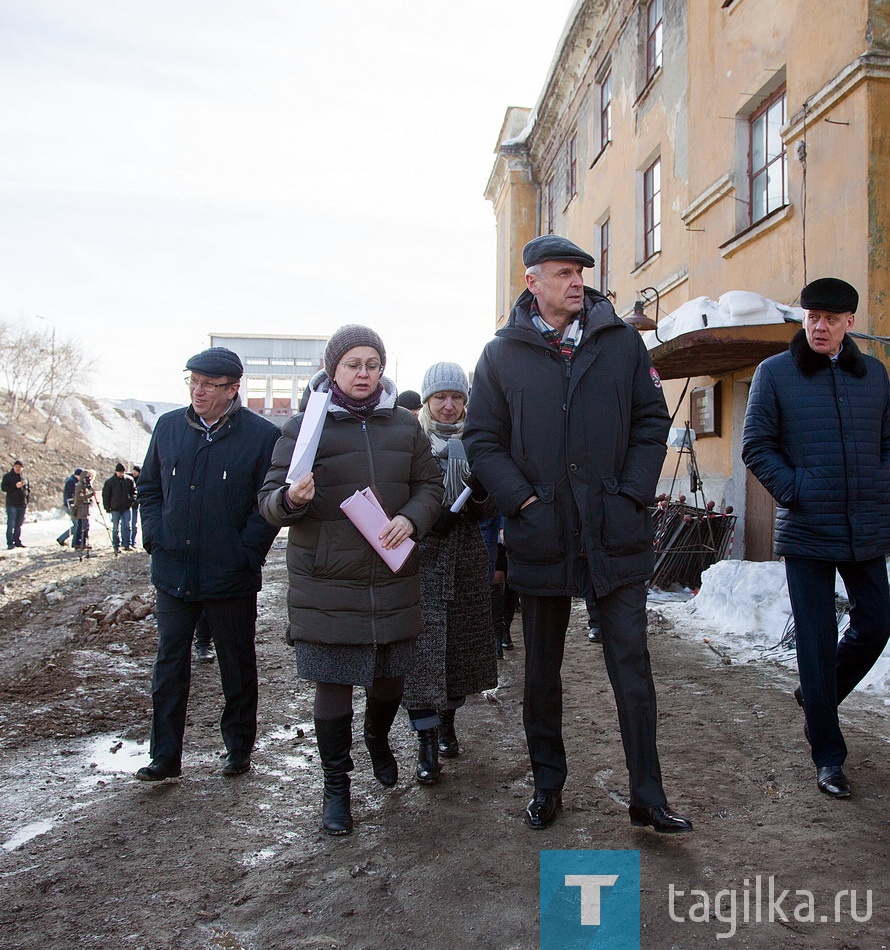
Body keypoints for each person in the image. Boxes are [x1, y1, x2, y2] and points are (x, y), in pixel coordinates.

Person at [464, 234, 692, 834]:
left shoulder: (620, 343)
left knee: (632, 665)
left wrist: (632, 492)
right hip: (541, 531)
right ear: (532, 281)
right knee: (541, 669)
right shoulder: (501, 355)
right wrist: (524, 501)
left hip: (614, 528)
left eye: (580, 273)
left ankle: (648, 794)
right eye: (563, 273)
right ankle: (547, 785)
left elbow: (651, 421)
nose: (576, 282)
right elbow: (482, 440)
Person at [259, 325, 443, 835]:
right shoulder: (305, 427)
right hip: (326, 578)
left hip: (391, 571)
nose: (364, 374)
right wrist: (290, 500)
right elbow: (270, 501)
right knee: (334, 682)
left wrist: (412, 518)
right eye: (353, 364)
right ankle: (335, 785)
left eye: (372, 365)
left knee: (389, 676)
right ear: (333, 369)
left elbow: (430, 486)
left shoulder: (405, 428)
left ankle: (378, 738)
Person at [742, 277, 890, 800]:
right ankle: (828, 754)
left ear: (851, 323)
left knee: (877, 621)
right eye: (812, 317)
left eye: (830, 318)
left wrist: (880, 485)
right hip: (807, 528)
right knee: (816, 638)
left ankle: (819, 694)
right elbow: (756, 445)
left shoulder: (874, 374)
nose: (820, 326)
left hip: (865, 524)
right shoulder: (775, 374)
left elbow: (888, 442)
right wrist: (796, 489)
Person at [135, 346, 280, 782]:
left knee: (237, 666)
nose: (197, 392)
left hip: (229, 574)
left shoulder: (261, 436)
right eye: (192, 382)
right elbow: (149, 488)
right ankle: (164, 756)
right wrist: (156, 536)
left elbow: (266, 506)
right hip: (173, 569)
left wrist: (244, 552)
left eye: (208, 385)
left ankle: (238, 749)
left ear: (233, 389)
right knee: (169, 665)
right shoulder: (167, 427)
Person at [401, 362, 499, 784]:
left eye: (457, 397)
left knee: (460, 650)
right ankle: (425, 740)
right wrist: (423, 516)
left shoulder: (477, 440)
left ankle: (449, 722)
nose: (448, 405)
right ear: (426, 401)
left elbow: (492, 508)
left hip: (466, 557)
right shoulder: (411, 440)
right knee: (420, 655)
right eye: (440, 397)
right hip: (420, 557)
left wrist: (480, 495)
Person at [102, 463, 137, 554]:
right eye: (120, 472)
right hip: (115, 508)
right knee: (115, 528)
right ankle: (116, 545)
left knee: (127, 526)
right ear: (116, 472)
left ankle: (127, 544)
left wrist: (131, 501)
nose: (121, 474)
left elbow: (134, 492)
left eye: (122, 472)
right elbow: (106, 495)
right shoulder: (110, 482)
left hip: (126, 507)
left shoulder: (129, 480)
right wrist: (107, 507)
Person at [2, 460, 29, 549]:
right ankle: (10, 542)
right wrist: (15, 486)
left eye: (19, 467)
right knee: (11, 524)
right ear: (13, 467)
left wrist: (27, 501)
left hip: (22, 504)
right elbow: (3, 488)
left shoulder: (24, 477)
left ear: (22, 468)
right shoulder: (8, 476)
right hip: (12, 504)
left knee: (19, 524)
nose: (17, 468)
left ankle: (17, 541)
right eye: (16, 467)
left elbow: (27, 490)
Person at [57, 467, 83, 547]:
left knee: (77, 524)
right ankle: (69, 541)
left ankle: (63, 539)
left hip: (71, 505)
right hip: (70, 506)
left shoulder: (72, 481)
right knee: (77, 524)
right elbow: (71, 496)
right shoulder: (71, 482)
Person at [73, 470, 96, 552]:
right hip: (80, 509)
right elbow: (79, 497)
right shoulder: (79, 485)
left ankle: (83, 542)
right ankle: (79, 543)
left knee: (85, 526)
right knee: (81, 526)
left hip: (85, 508)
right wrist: (90, 495)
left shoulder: (85, 486)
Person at [129, 465, 141, 548]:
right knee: (126, 524)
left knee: (134, 524)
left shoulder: (141, 480)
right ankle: (126, 541)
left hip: (136, 505)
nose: (134, 473)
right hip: (127, 505)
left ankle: (133, 541)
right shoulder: (128, 479)